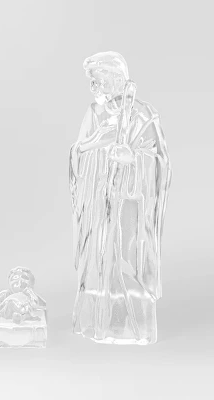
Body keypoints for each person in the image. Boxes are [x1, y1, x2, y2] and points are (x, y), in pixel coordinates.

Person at [69, 52, 171, 344]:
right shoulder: (95, 113)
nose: (94, 89)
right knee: (99, 259)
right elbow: (77, 153)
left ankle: (131, 323)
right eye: (91, 83)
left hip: (130, 208)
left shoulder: (143, 114)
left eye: (97, 82)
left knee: (126, 260)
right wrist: (92, 146)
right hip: (99, 205)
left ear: (116, 79)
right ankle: (97, 321)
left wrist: (133, 158)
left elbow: (160, 162)